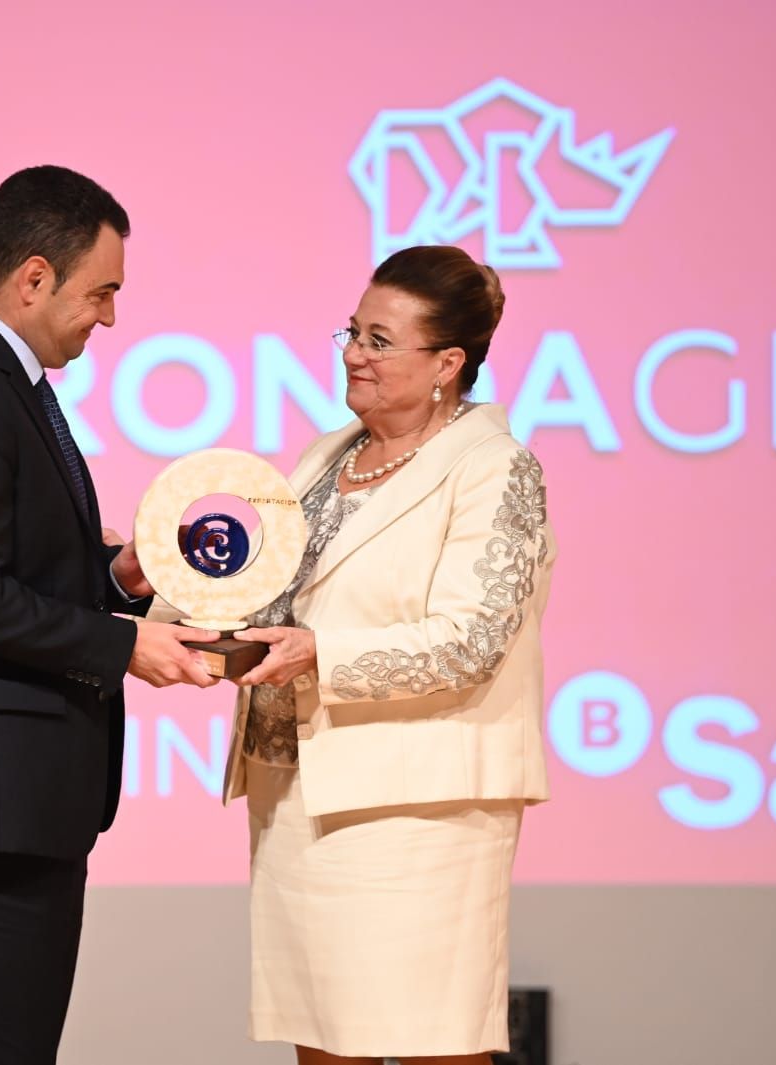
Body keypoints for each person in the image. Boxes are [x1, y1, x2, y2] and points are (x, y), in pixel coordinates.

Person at [0, 164, 218, 1065]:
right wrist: (120, 643)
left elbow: (3, 575)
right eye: (101, 291)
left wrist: (117, 578)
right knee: (2, 1049)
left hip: (8, 790)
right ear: (35, 277)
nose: (109, 317)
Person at [227, 245, 555, 1065]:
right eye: (352, 332)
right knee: (325, 1041)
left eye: (379, 340)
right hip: (301, 792)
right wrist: (157, 581)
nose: (353, 354)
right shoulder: (327, 456)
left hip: (418, 812)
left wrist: (318, 654)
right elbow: (270, 592)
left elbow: (472, 640)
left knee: (432, 1042)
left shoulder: (493, 468)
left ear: (448, 362)